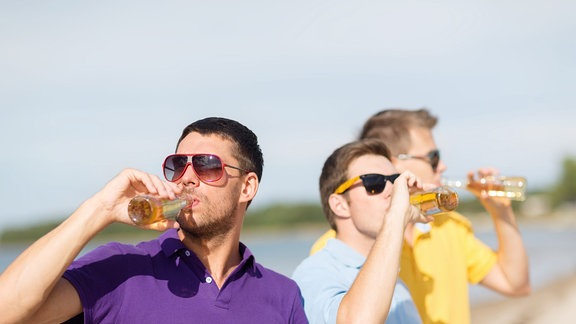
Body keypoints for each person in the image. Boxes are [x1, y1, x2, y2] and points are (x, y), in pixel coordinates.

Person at [0, 117, 308, 324]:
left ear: (247, 186)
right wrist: (100, 209)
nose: (187, 178)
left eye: (206, 166)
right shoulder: (121, 267)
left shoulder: (282, 295)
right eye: (178, 165)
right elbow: (7, 310)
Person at [309, 109, 531, 323]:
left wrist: (501, 212)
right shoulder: (341, 247)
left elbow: (515, 284)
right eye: (433, 157)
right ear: (395, 162)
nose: (442, 166)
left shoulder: (447, 226)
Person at [292, 138, 434, 323]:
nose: (393, 191)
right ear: (339, 204)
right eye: (374, 183)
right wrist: (396, 216)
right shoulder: (314, 273)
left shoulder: (396, 283)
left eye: (396, 181)